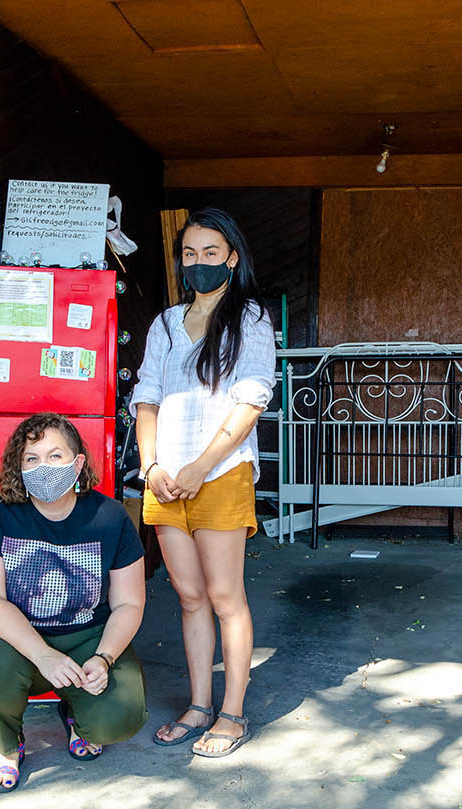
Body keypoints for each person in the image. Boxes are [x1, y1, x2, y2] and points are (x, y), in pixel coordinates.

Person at [131, 207, 276, 758]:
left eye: (210, 253)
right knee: (189, 598)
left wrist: (199, 466)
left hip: (220, 474)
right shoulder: (165, 324)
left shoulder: (251, 318)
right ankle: (198, 704)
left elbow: (251, 400)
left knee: (223, 597)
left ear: (232, 258)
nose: (199, 263)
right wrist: (152, 467)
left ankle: (232, 712)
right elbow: (146, 398)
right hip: (165, 479)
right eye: (189, 254)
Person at [0, 412, 148, 793]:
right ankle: (7, 743)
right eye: (31, 459)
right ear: (19, 465)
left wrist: (105, 657)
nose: (43, 467)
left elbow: (130, 603)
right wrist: (42, 654)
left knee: (121, 717)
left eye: (55, 456)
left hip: (88, 638)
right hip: (17, 640)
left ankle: (77, 714)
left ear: (78, 463)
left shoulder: (110, 517)